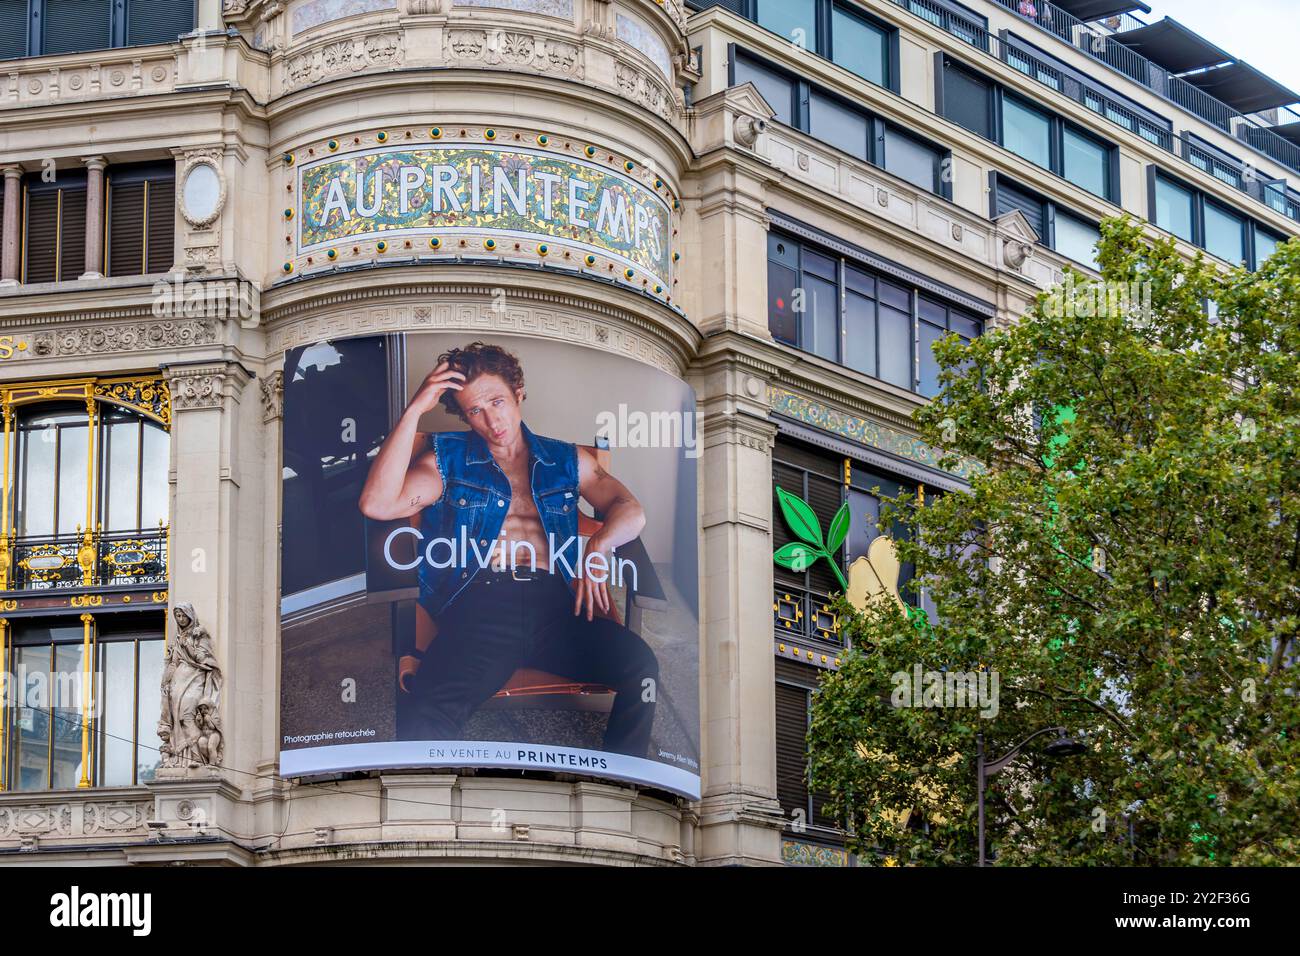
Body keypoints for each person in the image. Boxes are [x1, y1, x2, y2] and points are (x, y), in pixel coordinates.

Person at [359, 341, 659, 757]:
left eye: (497, 401)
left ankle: (622, 783)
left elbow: (631, 509)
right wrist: (414, 411)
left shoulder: (566, 460)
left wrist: (599, 546)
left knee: (640, 669)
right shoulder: (448, 460)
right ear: (463, 416)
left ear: (518, 392)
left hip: (557, 607)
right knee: (426, 716)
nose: (491, 420)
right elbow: (377, 504)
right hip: (480, 606)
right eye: (475, 411)